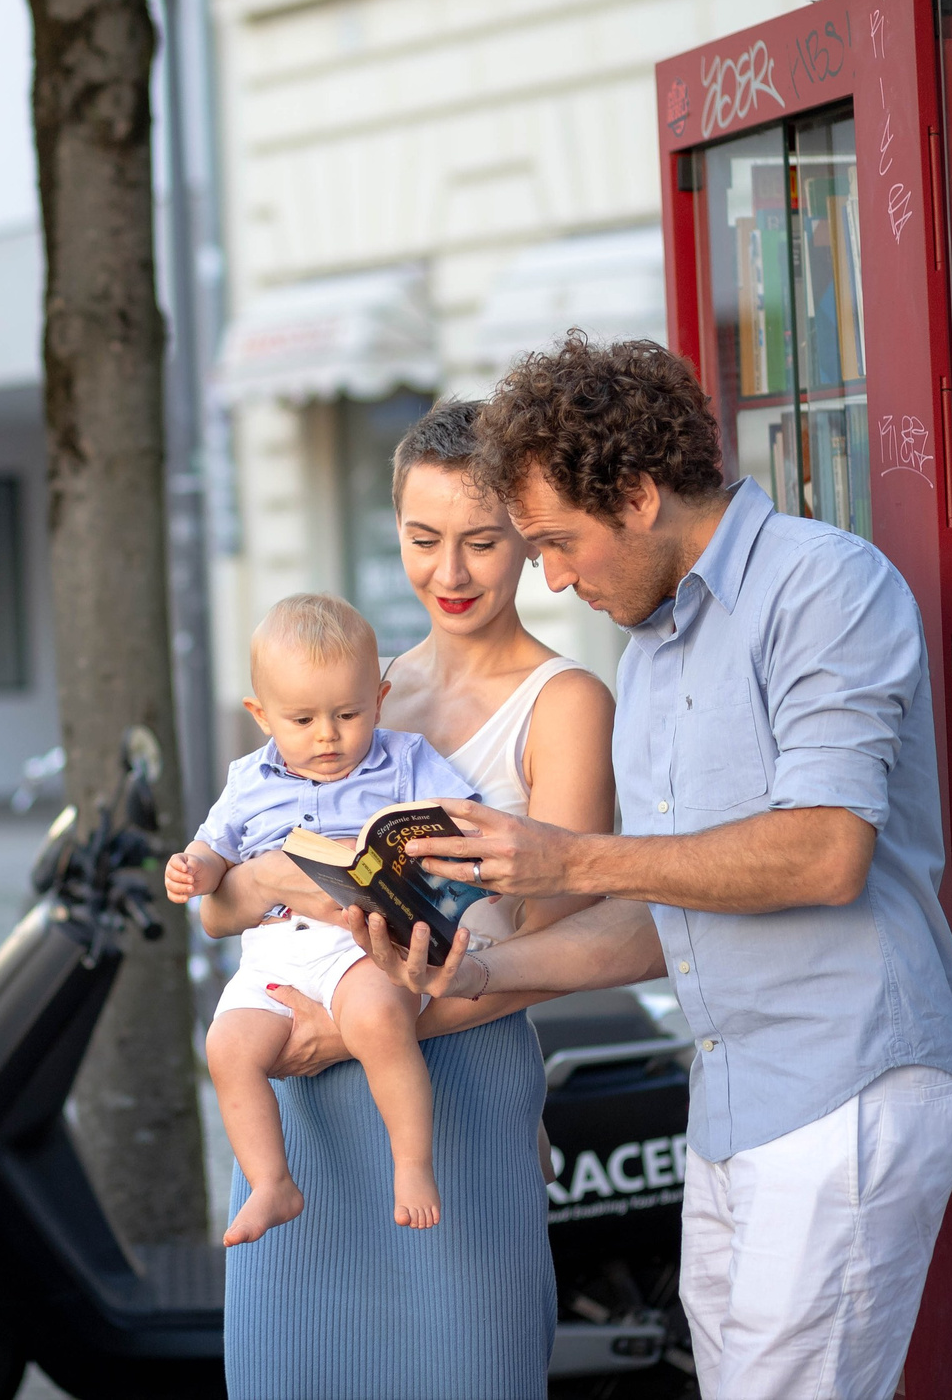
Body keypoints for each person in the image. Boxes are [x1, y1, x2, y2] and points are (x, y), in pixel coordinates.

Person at [349, 337, 952, 1400]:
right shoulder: (648, 654)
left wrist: (569, 855)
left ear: (637, 496)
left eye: (555, 541)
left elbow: (826, 852)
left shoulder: (823, 586)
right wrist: (476, 975)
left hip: (849, 1083)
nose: (547, 575)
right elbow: (666, 908)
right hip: (732, 1096)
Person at [195, 397, 616, 1398]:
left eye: (481, 540)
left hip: (451, 1090)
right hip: (299, 1106)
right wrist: (251, 883)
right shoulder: (351, 688)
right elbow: (222, 894)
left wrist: (349, 1032)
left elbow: (551, 950)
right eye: (423, 539)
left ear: (526, 534)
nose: (450, 572)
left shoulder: (564, 704)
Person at [166, 593, 484, 1241]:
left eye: (348, 713)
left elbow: (466, 820)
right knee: (227, 1047)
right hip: (274, 951)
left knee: (378, 1017)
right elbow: (214, 847)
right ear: (260, 714)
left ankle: (413, 1163)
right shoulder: (248, 778)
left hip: (359, 942)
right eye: (302, 718)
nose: (328, 735)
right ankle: (271, 1182)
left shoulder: (404, 758)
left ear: (380, 696)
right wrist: (194, 868)